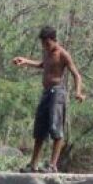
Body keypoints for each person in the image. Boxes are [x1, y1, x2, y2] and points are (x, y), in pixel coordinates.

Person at [12, 26, 85, 173]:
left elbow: (77, 75)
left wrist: (78, 92)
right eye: (43, 44)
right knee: (39, 129)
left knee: (55, 128)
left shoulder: (63, 54)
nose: (44, 46)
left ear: (53, 40)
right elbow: (42, 65)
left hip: (57, 93)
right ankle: (33, 164)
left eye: (46, 43)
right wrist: (25, 61)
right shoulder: (47, 53)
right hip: (46, 93)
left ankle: (52, 165)